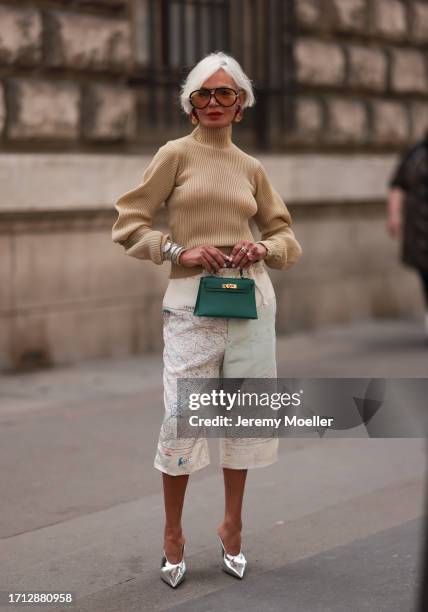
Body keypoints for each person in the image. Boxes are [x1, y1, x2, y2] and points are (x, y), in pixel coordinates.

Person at [111, 51, 302, 588]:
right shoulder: (174, 155)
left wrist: (263, 249)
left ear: (241, 105)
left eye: (225, 94)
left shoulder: (252, 168)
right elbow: (128, 225)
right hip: (191, 305)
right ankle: (173, 533)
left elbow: (287, 238)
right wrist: (177, 250)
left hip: (250, 302)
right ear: (189, 106)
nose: (214, 102)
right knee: (181, 419)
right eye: (203, 94)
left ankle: (232, 526)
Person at [387, 132, 428, 343]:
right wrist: (393, 216)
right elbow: (397, 184)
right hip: (418, 226)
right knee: (424, 271)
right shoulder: (415, 153)